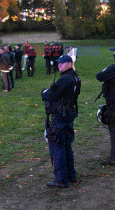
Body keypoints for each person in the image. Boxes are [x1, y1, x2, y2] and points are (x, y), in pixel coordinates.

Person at [41, 55, 81, 188]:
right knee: (66, 146)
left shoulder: (65, 79)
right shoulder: (76, 77)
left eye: (62, 64)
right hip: (69, 113)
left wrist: (44, 92)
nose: (59, 66)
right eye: (58, 63)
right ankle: (71, 175)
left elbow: (51, 94)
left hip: (60, 116)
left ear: (70, 63)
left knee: (58, 146)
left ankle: (61, 179)